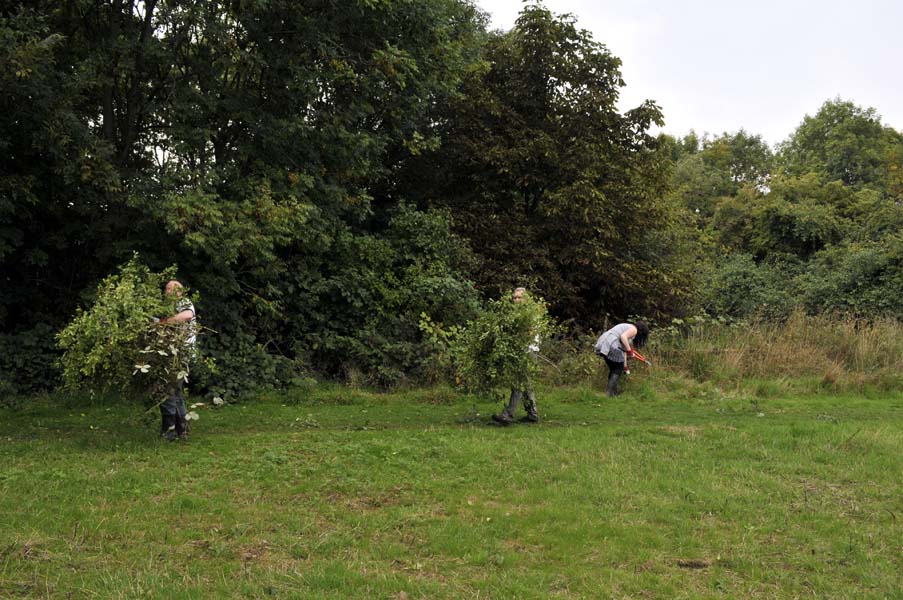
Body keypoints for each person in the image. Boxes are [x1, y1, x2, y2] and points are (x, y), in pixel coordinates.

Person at [492, 287, 541, 426]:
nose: (516, 300)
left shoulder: (531, 314)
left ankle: (507, 415)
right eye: (515, 297)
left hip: (528, 352)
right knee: (526, 385)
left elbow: (530, 333)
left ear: (526, 299)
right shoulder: (514, 314)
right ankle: (532, 414)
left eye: (520, 297)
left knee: (518, 383)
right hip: (519, 351)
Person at [158, 280, 197, 440]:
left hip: (181, 353)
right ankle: (182, 430)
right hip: (173, 353)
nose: (167, 292)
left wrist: (164, 322)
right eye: (166, 289)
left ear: (179, 292)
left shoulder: (185, 303)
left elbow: (187, 315)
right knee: (176, 391)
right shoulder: (168, 307)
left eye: (170, 289)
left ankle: (170, 431)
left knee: (167, 391)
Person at [594, 321, 648, 397]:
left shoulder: (627, 330)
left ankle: (612, 392)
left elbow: (623, 352)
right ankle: (609, 393)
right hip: (611, 343)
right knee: (617, 369)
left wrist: (625, 367)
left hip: (604, 342)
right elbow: (623, 337)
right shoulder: (634, 329)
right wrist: (630, 350)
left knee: (614, 369)